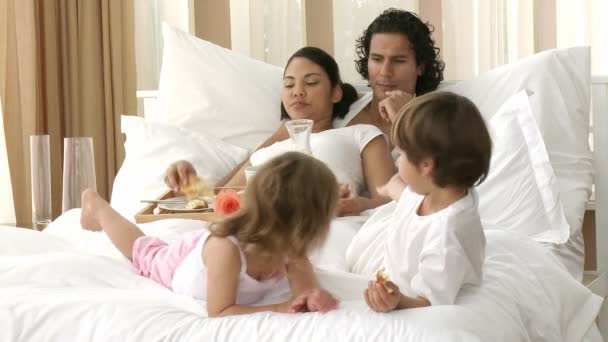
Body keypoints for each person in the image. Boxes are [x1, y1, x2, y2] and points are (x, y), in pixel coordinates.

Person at [81, 152, 340, 317]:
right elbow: (220, 310)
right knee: (145, 250)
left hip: (229, 235)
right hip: (182, 260)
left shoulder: (291, 250)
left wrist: (312, 297)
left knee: (221, 208)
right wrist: (278, 308)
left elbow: (304, 291)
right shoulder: (226, 250)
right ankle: (96, 205)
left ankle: (191, 184)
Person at [165, 47, 395, 216]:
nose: (298, 92)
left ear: (336, 93)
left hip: (327, 228)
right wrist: (187, 180)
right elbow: (221, 198)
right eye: (288, 85)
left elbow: (390, 200)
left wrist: (358, 206)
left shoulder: (360, 134)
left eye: (311, 82)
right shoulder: (267, 152)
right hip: (258, 233)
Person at [344, 91, 491, 312]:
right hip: (381, 260)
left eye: (401, 154)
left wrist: (397, 302)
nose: (398, 160)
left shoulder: (447, 237)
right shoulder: (438, 189)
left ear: (426, 166)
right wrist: (385, 190)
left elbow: (429, 301)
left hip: (400, 288)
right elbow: (404, 193)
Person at [335, 8, 445, 139]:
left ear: (420, 66)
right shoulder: (342, 106)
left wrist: (407, 121)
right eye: (377, 59)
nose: (385, 72)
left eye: (398, 61)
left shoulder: (435, 128)